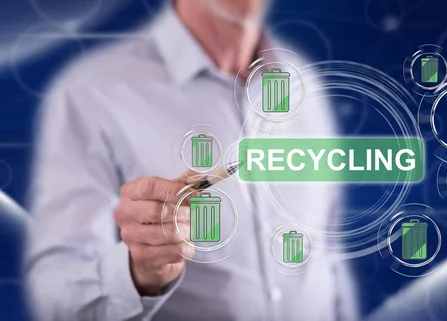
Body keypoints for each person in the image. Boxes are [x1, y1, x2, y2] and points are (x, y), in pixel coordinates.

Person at [25, 0, 359, 320]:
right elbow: (55, 296)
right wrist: (137, 274)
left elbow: (327, 254)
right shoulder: (92, 94)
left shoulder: (304, 82)